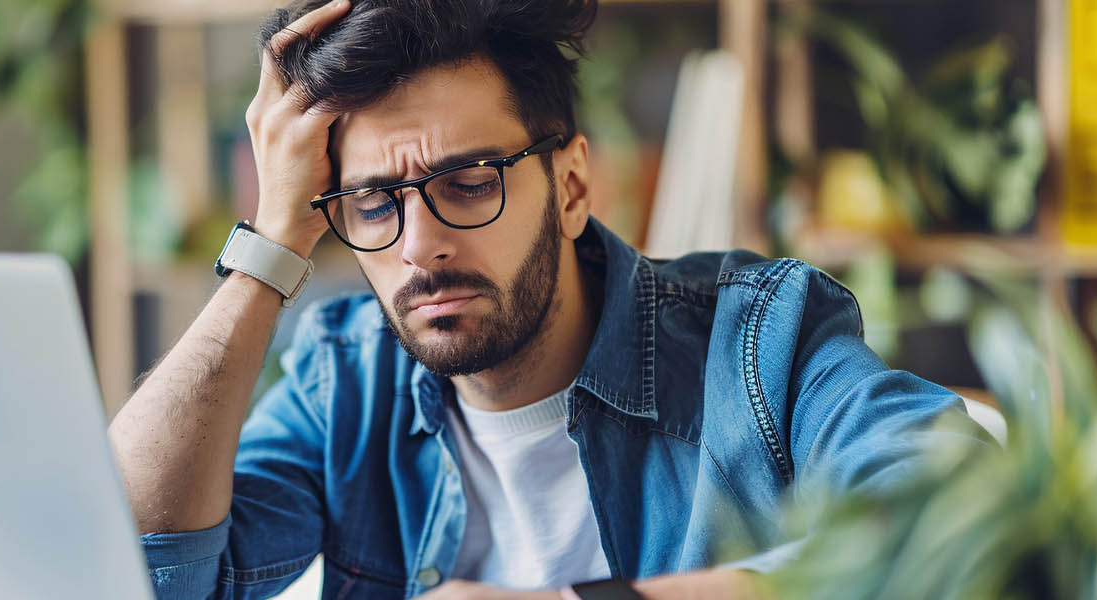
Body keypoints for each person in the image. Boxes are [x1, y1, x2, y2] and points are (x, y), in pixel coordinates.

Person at [108, 0, 987, 598]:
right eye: (374, 203)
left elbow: (962, 518)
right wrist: (269, 246)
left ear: (570, 187)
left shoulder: (760, 342)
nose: (420, 246)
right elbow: (140, 572)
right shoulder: (344, 380)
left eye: (469, 182)